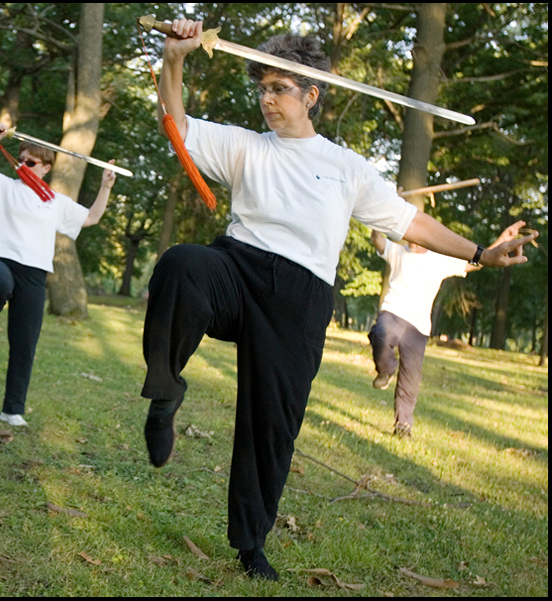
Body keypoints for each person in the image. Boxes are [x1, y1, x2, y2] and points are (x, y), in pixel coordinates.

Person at [140, 19, 537, 581]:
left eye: (279, 89)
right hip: (237, 266)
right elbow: (176, 126)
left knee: (272, 426)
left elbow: (411, 223)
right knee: (182, 263)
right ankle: (164, 391)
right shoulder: (247, 146)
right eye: (263, 89)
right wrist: (174, 58)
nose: (268, 100)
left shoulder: (349, 168)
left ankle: (250, 545)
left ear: (312, 94)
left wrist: (480, 252)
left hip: (299, 301)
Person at [0, 123, 115, 428]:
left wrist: (106, 186)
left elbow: (92, 217)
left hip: (34, 275)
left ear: (45, 168)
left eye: (30, 161)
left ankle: (12, 409)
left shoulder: (55, 202)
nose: (22, 164)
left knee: (25, 343)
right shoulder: (1, 185)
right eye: (20, 159)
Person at [368, 220, 526, 437]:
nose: (411, 240)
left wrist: (503, 239)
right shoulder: (398, 252)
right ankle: (385, 370)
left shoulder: (439, 260)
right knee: (380, 334)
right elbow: (376, 239)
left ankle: (403, 427)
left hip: (418, 326)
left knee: (411, 380)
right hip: (393, 314)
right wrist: (380, 216)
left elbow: (477, 260)